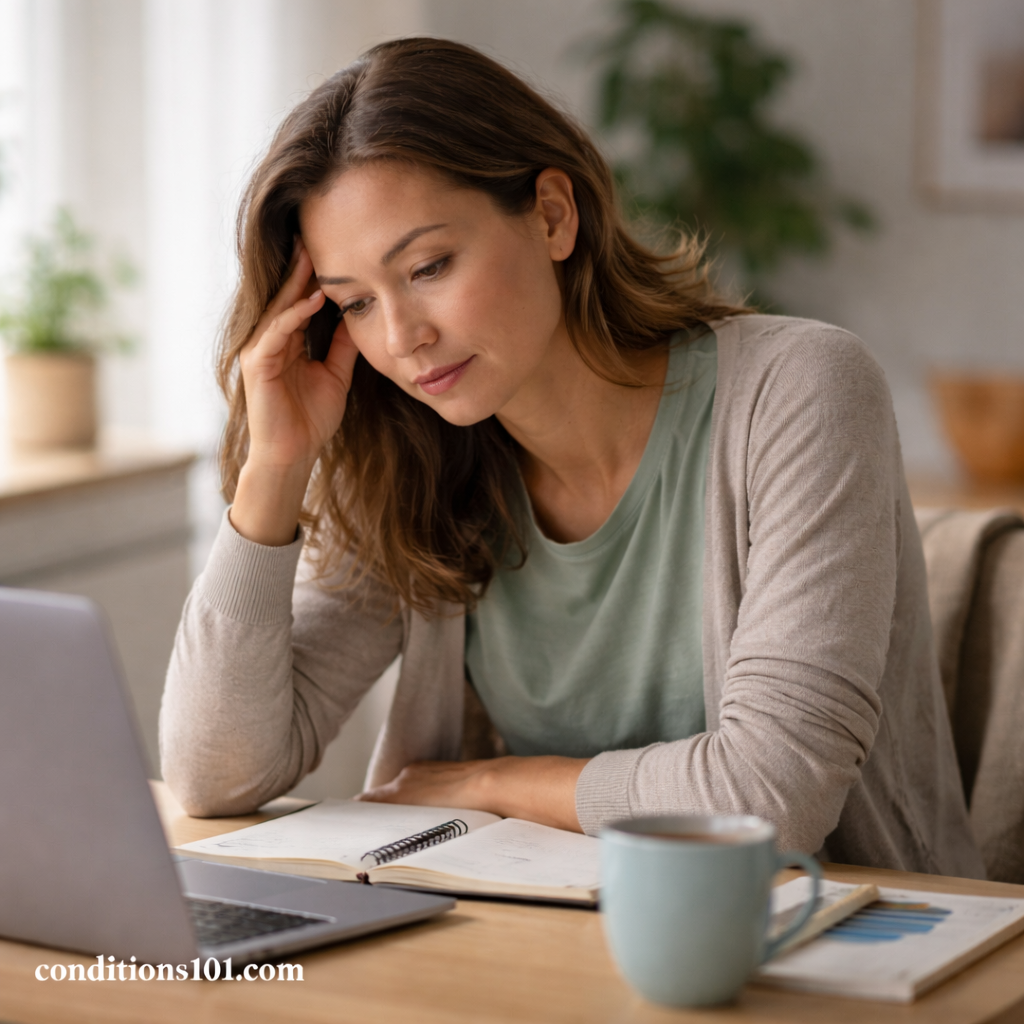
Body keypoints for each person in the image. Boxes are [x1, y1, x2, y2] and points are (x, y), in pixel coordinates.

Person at [161, 37, 983, 877]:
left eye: (429, 266)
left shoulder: (800, 389)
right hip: (542, 942)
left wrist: (493, 783)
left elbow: (774, 795)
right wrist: (274, 469)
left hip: (837, 937)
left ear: (553, 215)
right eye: (356, 303)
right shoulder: (411, 460)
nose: (403, 338)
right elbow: (217, 775)